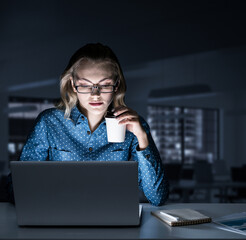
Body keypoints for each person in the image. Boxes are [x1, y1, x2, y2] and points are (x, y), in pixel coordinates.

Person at [15, 43, 169, 206]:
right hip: (60, 215)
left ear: (116, 85)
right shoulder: (49, 122)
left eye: (104, 85)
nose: (95, 95)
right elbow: (17, 190)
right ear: (73, 85)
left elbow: (157, 197)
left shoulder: (133, 125)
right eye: (85, 85)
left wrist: (142, 138)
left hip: (113, 218)